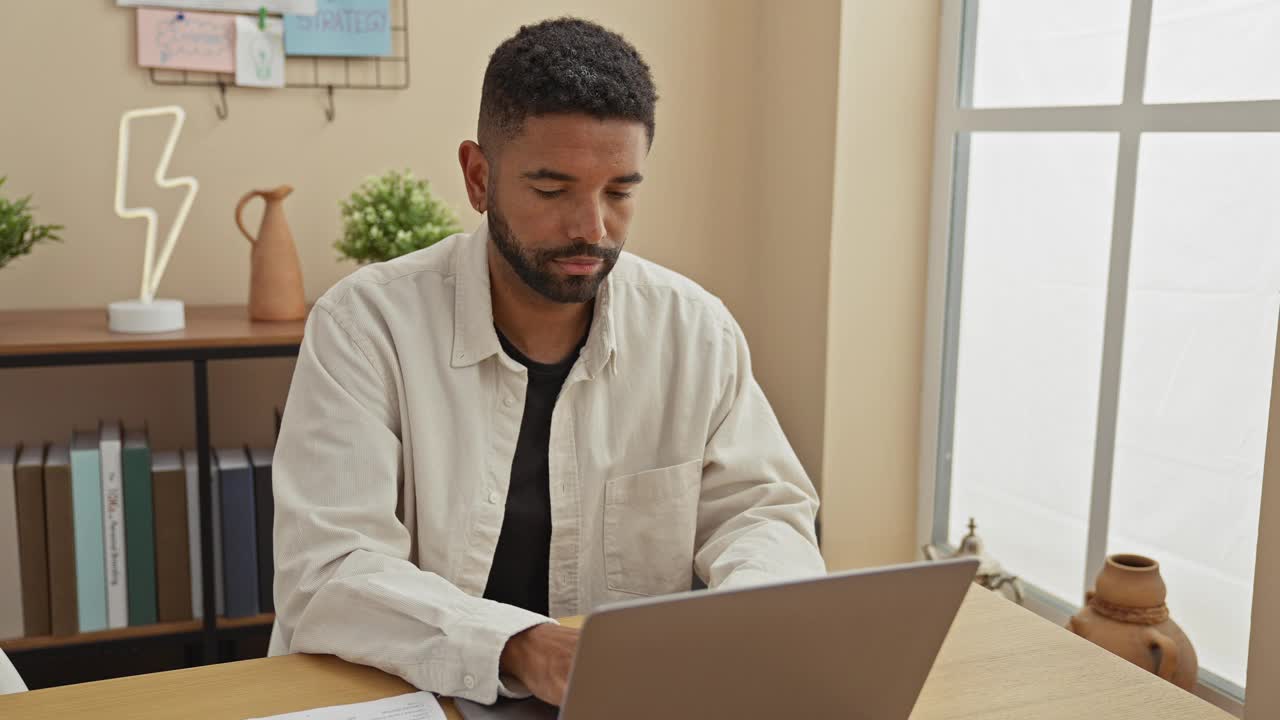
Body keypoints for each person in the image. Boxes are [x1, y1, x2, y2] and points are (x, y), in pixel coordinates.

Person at [269, 17, 825, 708]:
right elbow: (328, 570)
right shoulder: (364, 327)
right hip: (408, 698)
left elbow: (761, 514)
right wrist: (520, 647)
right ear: (479, 177)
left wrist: (748, 615)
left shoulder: (694, 331)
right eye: (551, 189)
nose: (591, 227)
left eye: (619, 192)